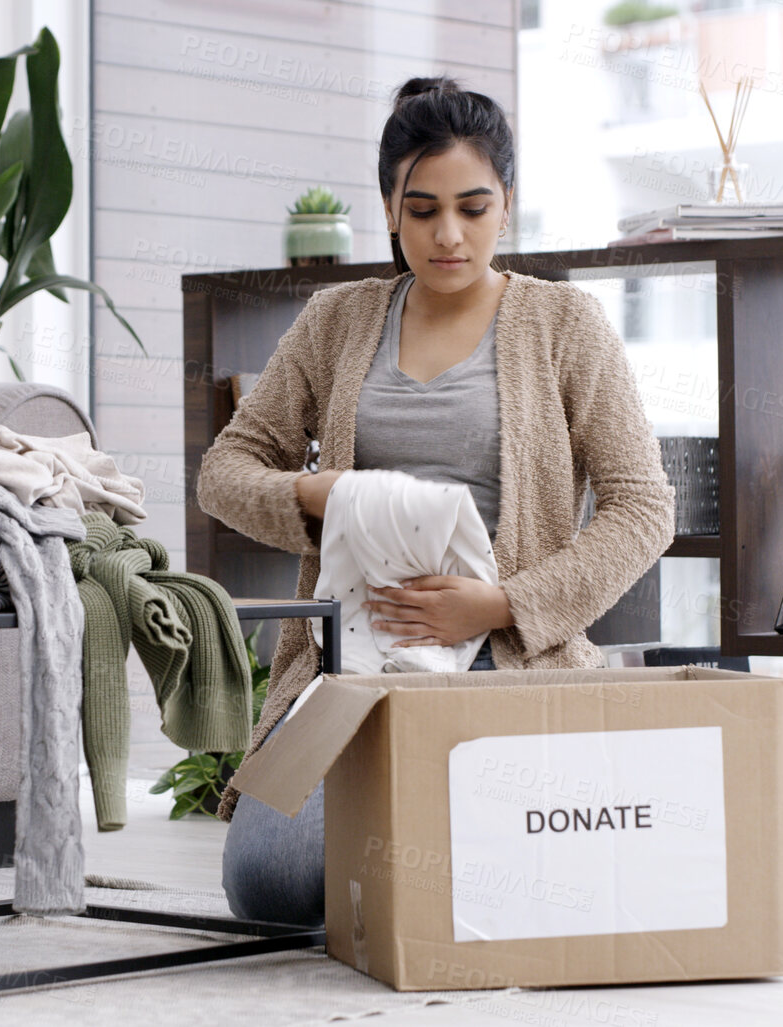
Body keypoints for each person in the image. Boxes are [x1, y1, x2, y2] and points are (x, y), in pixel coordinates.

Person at [197, 76, 676, 926]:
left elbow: (642, 506)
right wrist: (315, 494)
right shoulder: (335, 319)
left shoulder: (565, 323)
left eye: (471, 206)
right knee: (268, 884)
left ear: (507, 204)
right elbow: (225, 471)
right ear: (388, 208)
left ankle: (442, 866)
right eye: (420, 211)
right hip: (349, 663)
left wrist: (500, 604)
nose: (447, 235)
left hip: (501, 657)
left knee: (498, 866)